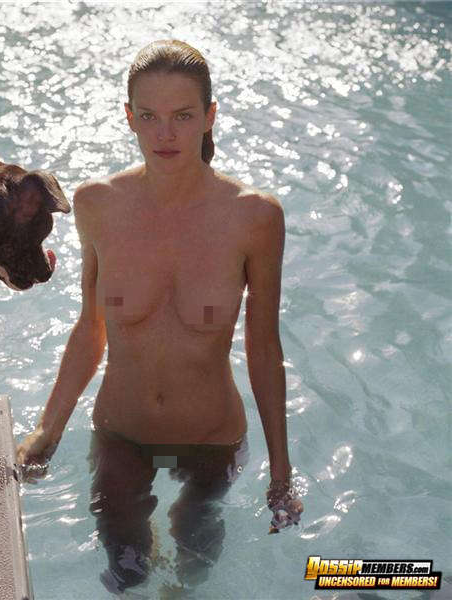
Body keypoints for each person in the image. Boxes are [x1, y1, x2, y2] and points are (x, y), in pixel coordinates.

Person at [16, 39, 303, 592]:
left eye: (183, 116)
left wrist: (281, 474)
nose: (164, 133)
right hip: (122, 433)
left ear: (209, 117)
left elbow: (264, 348)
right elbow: (91, 328)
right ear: (129, 117)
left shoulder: (254, 216)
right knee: (126, 574)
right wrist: (46, 432)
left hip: (212, 440)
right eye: (148, 116)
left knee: (192, 575)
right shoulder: (97, 203)